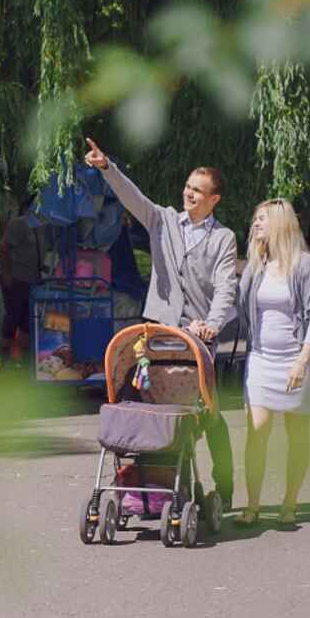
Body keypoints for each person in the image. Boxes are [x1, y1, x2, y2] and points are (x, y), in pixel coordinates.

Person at [82, 138, 240, 517]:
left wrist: (213, 325)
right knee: (148, 411)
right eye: (188, 187)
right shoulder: (164, 220)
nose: (189, 194)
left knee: (211, 417)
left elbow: (226, 287)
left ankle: (226, 484)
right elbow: (133, 198)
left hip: (197, 338)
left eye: (197, 191)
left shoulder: (223, 239)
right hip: (156, 335)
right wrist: (107, 168)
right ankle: (144, 485)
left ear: (214, 199)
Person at [236, 198, 310, 527]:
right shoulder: (256, 266)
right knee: (256, 430)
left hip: (294, 360)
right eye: (255, 219)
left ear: (281, 224)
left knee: (296, 433)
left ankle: (290, 502)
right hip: (261, 360)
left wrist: (303, 359)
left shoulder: (305, 265)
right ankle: (253, 505)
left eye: (263, 219)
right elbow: (238, 305)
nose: (256, 224)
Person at [0, 197, 42, 366]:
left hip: (33, 281)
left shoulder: (42, 226)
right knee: (13, 316)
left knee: (27, 320)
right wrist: (6, 273)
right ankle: (6, 358)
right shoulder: (19, 224)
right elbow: (4, 247)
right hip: (17, 278)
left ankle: (21, 359)